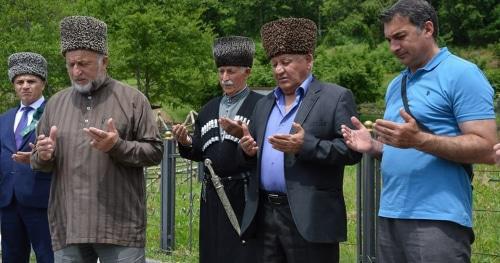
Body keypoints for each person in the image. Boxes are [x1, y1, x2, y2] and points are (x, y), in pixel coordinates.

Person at [341, 0, 497, 262]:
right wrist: (375, 147)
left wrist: (419, 140)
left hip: (437, 219)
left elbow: (487, 149)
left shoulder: (463, 74)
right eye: (389, 39)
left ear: (427, 28)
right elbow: (405, 149)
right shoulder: (396, 84)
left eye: (400, 36)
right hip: (391, 214)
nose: (393, 47)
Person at [30, 16, 163, 262]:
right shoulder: (55, 104)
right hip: (68, 225)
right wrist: (43, 155)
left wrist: (117, 146)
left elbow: (155, 152)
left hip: (120, 226)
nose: (76, 71)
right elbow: (40, 163)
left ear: (105, 62)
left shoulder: (133, 100)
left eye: (84, 64)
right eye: (70, 65)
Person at [233, 18, 362, 263]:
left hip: (310, 217)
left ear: (309, 60)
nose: (279, 70)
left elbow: (351, 151)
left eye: (286, 62)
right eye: (274, 64)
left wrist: (306, 145)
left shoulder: (335, 97)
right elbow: (251, 156)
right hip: (264, 215)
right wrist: (247, 151)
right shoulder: (264, 104)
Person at [172, 36, 263, 263]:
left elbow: (264, 153)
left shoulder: (261, 106)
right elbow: (200, 152)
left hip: (245, 194)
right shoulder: (208, 109)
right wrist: (185, 143)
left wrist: (246, 141)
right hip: (212, 196)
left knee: (243, 254)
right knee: (213, 252)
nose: (225, 78)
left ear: (247, 72)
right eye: (221, 71)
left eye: (231, 71)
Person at [0, 52, 54, 262]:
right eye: (19, 81)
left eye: (31, 81)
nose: (25, 86)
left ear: (43, 83)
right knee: (12, 257)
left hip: (42, 199)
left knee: (47, 256)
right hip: (8, 200)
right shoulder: (4, 119)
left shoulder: (53, 112)